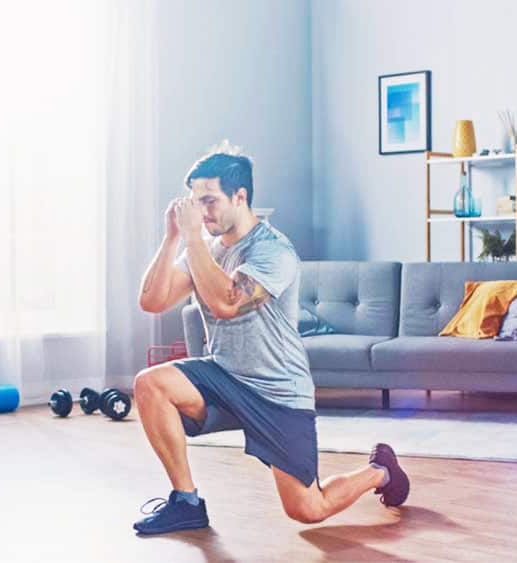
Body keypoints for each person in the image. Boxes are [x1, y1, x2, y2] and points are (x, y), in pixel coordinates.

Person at [133, 142, 409, 535]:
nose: (202, 212)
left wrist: (194, 242)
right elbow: (152, 300)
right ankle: (186, 502)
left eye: (209, 201)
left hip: (278, 393)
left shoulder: (274, 250)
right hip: (225, 377)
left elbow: (228, 302)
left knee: (308, 510)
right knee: (150, 385)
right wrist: (173, 238)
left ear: (240, 196)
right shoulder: (203, 248)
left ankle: (380, 471)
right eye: (196, 202)